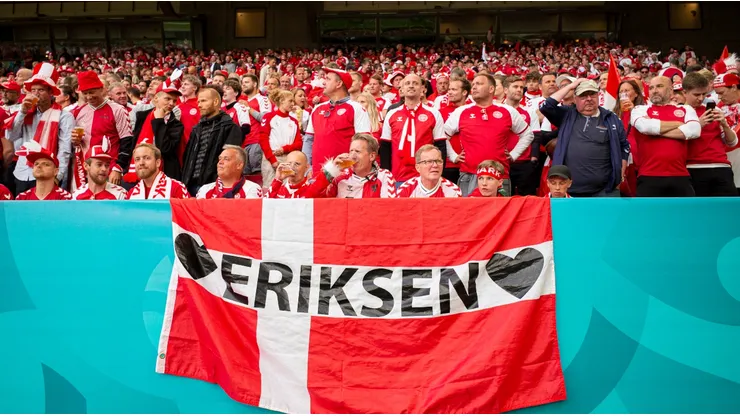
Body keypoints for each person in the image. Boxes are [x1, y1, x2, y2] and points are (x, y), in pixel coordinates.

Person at [443, 73, 533, 197]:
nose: (474, 87)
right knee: (469, 209)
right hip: (469, 174)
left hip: (499, 176)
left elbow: (528, 134)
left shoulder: (508, 111)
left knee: (500, 210)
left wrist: (514, 154)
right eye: (473, 84)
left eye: (479, 84)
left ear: (491, 89)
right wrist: (453, 156)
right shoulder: (461, 111)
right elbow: (442, 136)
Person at [541, 78, 629, 197]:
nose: (589, 99)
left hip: (605, 190)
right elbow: (546, 106)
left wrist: (620, 174)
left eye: (592, 95)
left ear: (598, 96)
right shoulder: (567, 114)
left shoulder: (611, 118)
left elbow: (624, 146)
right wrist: (571, 86)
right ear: (575, 99)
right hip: (568, 190)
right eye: (583, 96)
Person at [6, 62, 73, 195]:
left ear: (51, 92)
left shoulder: (64, 116)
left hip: (48, 174)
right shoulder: (25, 112)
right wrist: (22, 112)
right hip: (22, 172)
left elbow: (65, 149)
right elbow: (11, 136)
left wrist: (58, 175)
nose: (36, 94)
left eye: (41, 90)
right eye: (33, 90)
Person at [630, 75, 701, 197]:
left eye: (659, 86)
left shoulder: (686, 109)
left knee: (686, 210)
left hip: (680, 175)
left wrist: (655, 131)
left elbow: (694, 130)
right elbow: (645, 127)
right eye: (651, 88)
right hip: (648, 175)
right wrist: (679, 124)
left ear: (671, 90)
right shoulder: (639, 109)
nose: (654, 91)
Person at [71, 70, 133, 190]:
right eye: (85, 93)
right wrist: (75, 141)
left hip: (109, 169)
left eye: (92, 92)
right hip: (86, 170)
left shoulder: (118, 110)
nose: (89, 97)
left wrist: (118, 168)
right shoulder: (78, 112)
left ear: (101, 89)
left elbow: (127, 140)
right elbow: (78, 145)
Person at [380, 73, 446, 186]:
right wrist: (387, 175)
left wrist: (437, 174)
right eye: (407, 83)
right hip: (397, 177)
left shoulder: (434, 113)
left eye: (415, 83)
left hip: (426, 178)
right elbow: (385, 147)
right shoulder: (392, 114)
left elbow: (440, 146)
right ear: (401, 89)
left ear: (422, 89)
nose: (411, 86)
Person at [303, 67, 370, 174]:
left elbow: (363, 144)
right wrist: (306, 168)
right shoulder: (317, 109)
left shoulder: (357, 108)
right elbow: (308, 140)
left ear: (339, 84)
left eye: (328, 79)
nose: (323, 82)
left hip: (345, 174)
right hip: (317, 173)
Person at [682, 72, 738, 196]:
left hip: (722, 166)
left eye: (704, 94)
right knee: (700, 207)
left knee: (730, 206)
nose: (701, 98)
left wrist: (724, 124)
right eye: (696, 94)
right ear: (684, 93)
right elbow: (677, 140)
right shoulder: (678, 112)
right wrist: (699, 124)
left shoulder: (715, 110)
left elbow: (732, 142)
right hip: (694, 167)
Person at [181, 86, 244, 196]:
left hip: (214, 187)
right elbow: (187, 158)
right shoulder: (196, 129)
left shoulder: (230, 128)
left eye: (203, 101)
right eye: (198, 101)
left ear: (215, 102)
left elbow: (230, 160)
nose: (199, 105)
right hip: (190, 185)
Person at [127, 80, 184, 183]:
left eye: (174, 101)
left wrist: (159, 122)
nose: (171, 103)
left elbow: (165, 148)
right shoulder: (142, 116)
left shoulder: (176, 124)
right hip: (138, 170)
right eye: (167, 99)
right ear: (156, 98)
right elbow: (134, 143)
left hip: (165, 173)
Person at [324, 133, 396, 198]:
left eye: (357, 151)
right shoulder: (340, 177)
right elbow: (319, 200)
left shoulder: (383, 176)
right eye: (351, 151)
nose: (353, 156)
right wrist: (329, 172)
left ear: (372, 156)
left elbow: (388, 206)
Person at [503, 76, 541, 196]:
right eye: (515, 87)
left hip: (524, 163)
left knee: (527, 199)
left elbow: (536, 136)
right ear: (505, 90)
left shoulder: (529, 112)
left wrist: (533, 158)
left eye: (521, 87)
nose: (519, 90)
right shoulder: (497, 110)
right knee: (503, 198)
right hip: (502, 163)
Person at [260, 89, 303, 185]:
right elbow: (263, 140)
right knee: (269, 186)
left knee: (287, 187)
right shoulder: (268, 117)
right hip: (270, 158)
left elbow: (299, 143)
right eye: (290, 101)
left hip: (288, 159)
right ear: (282, 101)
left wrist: (284, 149)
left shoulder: (294, 121)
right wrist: (272, 160)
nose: (293, 104)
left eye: (293, 101)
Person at [265, 150, 347, 199]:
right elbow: (265, 206)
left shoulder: (311, 188)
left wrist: (333, 166)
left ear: (306, 167)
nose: (292, 167)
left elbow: (322, 180)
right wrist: (278, 179)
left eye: (297, 164)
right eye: (289, 163)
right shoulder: (279, 189)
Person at [614, 79, 646, 197]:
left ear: (636, 93)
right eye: (621, 92)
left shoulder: (645, 110)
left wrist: (634, 110)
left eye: (627, 90)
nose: (624, 94)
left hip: (640, 158)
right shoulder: (613, 114)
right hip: (622, 158)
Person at [196, 145, 262, 199]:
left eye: (226, 159)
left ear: (239, 165)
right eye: (220, 159)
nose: (220, 162)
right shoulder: (205, 189)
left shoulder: (252, 188)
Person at [396, 144, 461, 198]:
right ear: (418, 167)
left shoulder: (453, 191)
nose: (435, 165)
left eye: (438, 161)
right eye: (429, 161)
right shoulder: (405, 190)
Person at [438, 77, 470, 184]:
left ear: (464, 92)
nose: (450, 92)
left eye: (454, 89)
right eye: (449, 89)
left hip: (469, 164)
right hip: (448, 165)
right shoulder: (440, 112)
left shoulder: (472, 111)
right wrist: (453, 156)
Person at [239, 74, 272, 176]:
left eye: (247, 82)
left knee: (257, 174)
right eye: (242, 83)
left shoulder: (262, 99)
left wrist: (248, 108)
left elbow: (265, 119)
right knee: (246, 176)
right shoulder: (242, 102)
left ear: (255, 84)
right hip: (244, 143)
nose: (243, 85)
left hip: (257, 141)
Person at [176, 74, 202, 164]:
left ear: (194, 88)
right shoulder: (178, 107)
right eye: (182, 84)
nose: (182, 86)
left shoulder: (200, 105)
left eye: (186, 84)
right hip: (179, 149)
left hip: (194, 148)